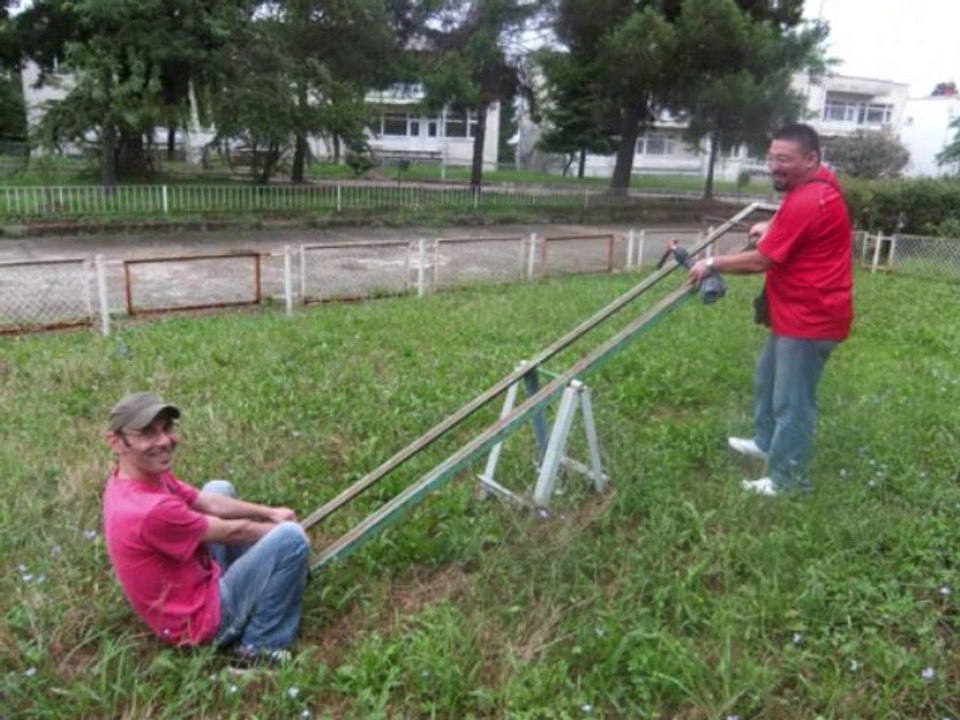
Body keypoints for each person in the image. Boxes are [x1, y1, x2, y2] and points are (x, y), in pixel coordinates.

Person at [688, 123, 853, 496]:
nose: (774, 166)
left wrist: (711, 264)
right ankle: (765, 441)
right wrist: (772, 222)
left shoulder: (810, 199)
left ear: (811, 159)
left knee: (792, 404)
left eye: (784, 159)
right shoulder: (817, 185)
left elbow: (761, 261)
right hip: (794, 312)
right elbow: (793, 220)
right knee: (767, 379)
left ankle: (788, 480)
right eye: (771, 158)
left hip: (810, 318)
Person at [102, 391, 309, 666]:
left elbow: (207, 501)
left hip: (195, 582)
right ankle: (260, 649)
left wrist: (270, 513)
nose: (164, 440)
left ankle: (273, 571)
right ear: (116, 443)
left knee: (218, 488)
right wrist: (286, 535)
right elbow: (229, 532)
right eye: (147, 433)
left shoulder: (141, 477)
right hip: (196, 623)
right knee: (290, 540)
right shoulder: (149, 510)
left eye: (166, 429)